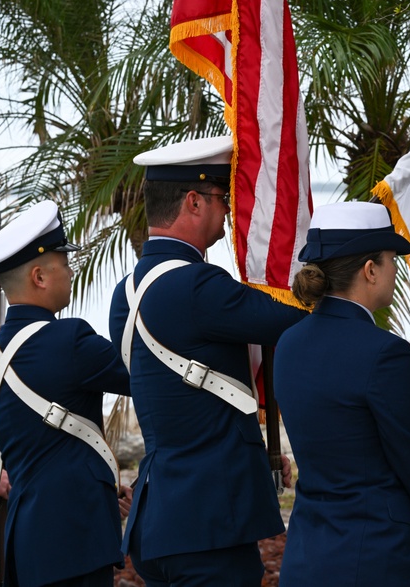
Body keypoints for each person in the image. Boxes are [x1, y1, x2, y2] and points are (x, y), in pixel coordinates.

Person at [108, 136, 308, 587]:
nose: (230, 211)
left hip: (159, 518)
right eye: (223, 197)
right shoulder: (198, 286)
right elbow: (295, 316)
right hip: (209, 523)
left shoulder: (124, 295)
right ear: (193, 202)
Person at [274, 201, 410, 586]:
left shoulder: (289, 343)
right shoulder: (385, 351)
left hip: (308, 555)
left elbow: (350, 434)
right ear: (370, 270)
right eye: (392, 260)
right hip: (374, 559)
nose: (396, 271)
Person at [0, 200, 132, 587]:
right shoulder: (71, 339)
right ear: (40, 276)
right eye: (65, 263)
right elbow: (143, 375)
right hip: (77, 533)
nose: (72, 271)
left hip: (25, 538)